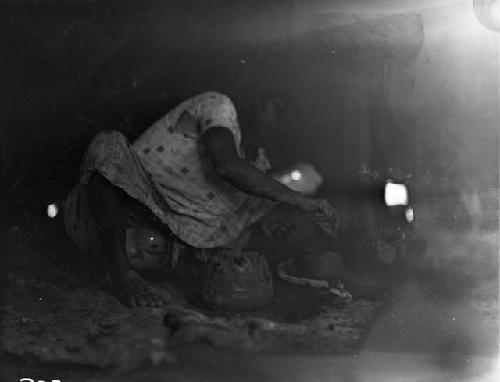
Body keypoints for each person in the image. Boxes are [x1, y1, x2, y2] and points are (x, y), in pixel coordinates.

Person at [64, 91, 339, 308]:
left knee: (239, 246)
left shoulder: (258, 161)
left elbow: (229, 216)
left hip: (156, 240)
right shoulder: (218, 106)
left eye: (292, 124)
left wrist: (261, 226)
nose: (282, 126)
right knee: (108, 145)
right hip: (98, 217)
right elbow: (227, 166)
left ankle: (149, 269)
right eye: (280, 113)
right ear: (267, 101)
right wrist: (301, 201)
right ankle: (122, 276)